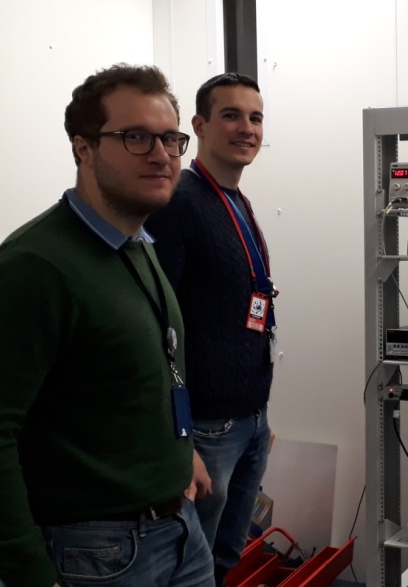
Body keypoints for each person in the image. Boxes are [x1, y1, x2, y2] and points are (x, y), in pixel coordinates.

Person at [0, 64, 214, 587]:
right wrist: (28, 572)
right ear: (83, 148)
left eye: (170, 138)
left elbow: (137, 376)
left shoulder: (137, 243)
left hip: (179, 530)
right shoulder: (36, 267)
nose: (161, 154)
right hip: (96, 552)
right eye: (135, 137)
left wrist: (182, 452)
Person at [146, 72, 276, 585]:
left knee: (225, 559)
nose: (246, 128)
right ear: (198, 125)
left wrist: (259, 417)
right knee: (191, 567)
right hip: (204, 428)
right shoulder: (179, 201)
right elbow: (159, 324)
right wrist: (182, 440)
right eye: (231, 115)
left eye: (255, 117)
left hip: (247, 419)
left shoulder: (236, 201)